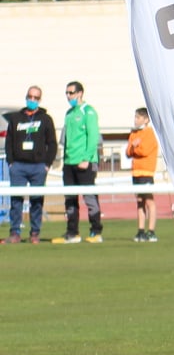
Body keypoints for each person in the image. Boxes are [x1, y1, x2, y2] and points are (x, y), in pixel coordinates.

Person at [6, 85, 57, 243]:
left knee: (36, 200)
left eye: (36, 98)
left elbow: (52, 143)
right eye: (30, 97)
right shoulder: (15, 118)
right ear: (26, 97)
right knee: (16, 201)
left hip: (38, 167)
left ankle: (35, 232)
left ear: (39, 100)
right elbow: (9, 142)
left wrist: (47, 164)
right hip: (18, 167)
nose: (32, 100)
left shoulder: (45, 119)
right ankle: (15, 232)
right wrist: (11, 163)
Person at [56, 81, 103, 244]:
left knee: (89, 198)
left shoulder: (88, 112)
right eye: (67, 93)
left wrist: (86, 158)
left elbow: (93, 137)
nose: (69, 96)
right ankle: (72, 233)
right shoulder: (69, 113)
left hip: (85, 163)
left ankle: (96, 232)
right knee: (70, 198)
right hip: (69, 162)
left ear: (80, 93)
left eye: (71, 93)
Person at [127, 107, 159, 242]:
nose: (136, 120)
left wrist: (135, 147)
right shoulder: (134, 134)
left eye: (138, 117)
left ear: (146, 120)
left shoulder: (150, 133)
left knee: (149, 201)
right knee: (140, 202)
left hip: (146, 172)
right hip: (136, 172)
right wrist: (133, 146)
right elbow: (128, 152)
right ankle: (140, 230)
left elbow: (144, 151)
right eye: (135, 117)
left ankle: (151, 231)